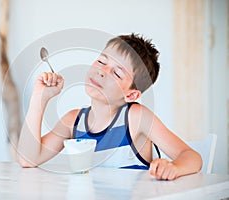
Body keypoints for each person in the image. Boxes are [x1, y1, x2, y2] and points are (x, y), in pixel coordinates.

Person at [17, 33, 202, 180]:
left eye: (117, 73)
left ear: (131, 95)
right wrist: (39, 98)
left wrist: (174, 168)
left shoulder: (136, 118)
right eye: (101, 62)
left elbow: (192, 157)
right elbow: (27, 159)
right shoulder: (73, 120)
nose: (102, 71)